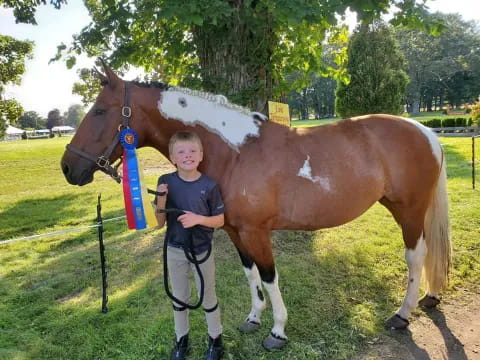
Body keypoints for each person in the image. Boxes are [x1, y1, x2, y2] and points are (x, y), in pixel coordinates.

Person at [155, 131, 225, 360]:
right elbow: (159, 222)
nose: (188, 156)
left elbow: (220, 220)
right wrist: (161, 198)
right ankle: (181, 339)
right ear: (172, 157)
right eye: (181, 152)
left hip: (202, 250)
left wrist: (199, 219)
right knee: (179, 296)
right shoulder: (165, 182)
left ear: (201, 155)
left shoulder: (209, 185)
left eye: (193, 150)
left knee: (208, 295)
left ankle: (215, 340)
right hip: (175, 250)